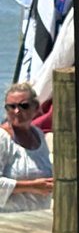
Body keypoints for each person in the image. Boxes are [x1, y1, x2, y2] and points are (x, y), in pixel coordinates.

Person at [0, 82, 53, 210]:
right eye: (11, 107)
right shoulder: (3, 139)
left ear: (36, 108)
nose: (17, 111)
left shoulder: (39, 135)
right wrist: (31, 186)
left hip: (37, 221)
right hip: (10, 224)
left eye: (24, 106)